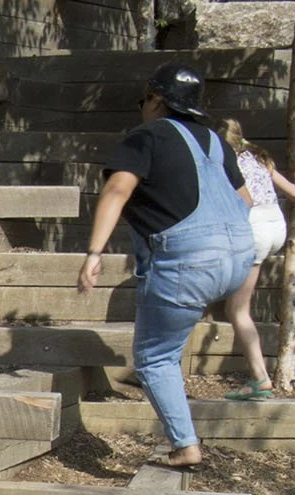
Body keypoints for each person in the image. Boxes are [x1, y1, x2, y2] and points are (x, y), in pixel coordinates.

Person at [78, 62, 257, 471]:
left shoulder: (147, 135)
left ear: (156, 99)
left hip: (189, 263)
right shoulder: (215, 141)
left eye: (144, 99)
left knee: (155, 358)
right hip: (238, 257)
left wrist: (94, 254)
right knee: (169, 339)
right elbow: (245, 200)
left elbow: (117, 190)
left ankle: (185, 445)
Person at [218, 117, 295, 401]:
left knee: (237, 310)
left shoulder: (225, 163)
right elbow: (293, 192)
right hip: (276, 227)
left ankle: (260, 379)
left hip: (254, 230)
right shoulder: (259, 157)